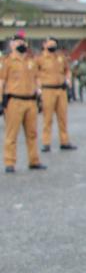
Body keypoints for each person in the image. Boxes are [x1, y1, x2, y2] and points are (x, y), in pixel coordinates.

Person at [1, 35, 46, 173]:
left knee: (32, 133)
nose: (21, 44)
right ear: (12, 45)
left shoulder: (30, 61)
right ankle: (10, 162)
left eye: (23, 42)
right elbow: (1, 81)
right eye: (18, 42)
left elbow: (37, 77)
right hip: (14, 100)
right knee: (11, 134)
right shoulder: (7, 61)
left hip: (31, 101)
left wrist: (39, 92)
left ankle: (34, 161)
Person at [36, 37, 76, 152]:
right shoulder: (40, 59)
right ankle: (46, 143)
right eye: (50, 44)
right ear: (44, 45)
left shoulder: (60, 57)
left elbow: (67, 70)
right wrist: (38, 87)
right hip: (47, 90)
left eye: (54, 44)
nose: (52, 46)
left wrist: (68, 79)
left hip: (61, 90)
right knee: (47, 118)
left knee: (63, 117)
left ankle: (64, 141)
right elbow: (35, 74)